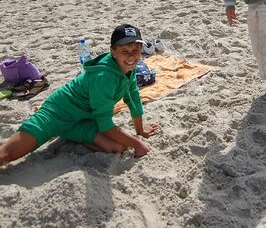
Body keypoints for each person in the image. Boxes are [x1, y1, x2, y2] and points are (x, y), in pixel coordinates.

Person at [0, 24, 159, 167]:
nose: (131, 56)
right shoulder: (104, 77)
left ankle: (69, 131)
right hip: (57, 112)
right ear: (113, 52)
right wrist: (138, 144)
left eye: (135, 51)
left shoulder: (129, 68)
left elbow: (133, 97)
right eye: (125, 51)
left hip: (85, 118)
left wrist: (140, 131)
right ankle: (61, 128)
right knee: (6, 155)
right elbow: (105, 125)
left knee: (119, 147)